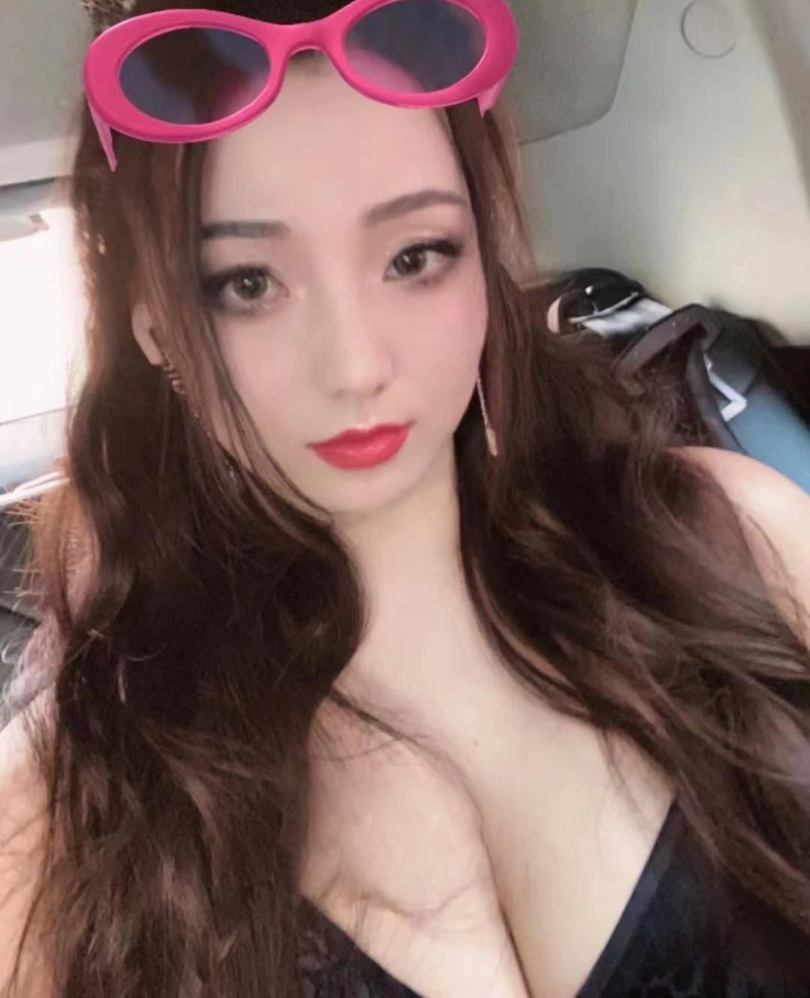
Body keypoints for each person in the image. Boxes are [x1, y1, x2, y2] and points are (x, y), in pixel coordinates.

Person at [1, 1, 809, 995]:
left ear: (484, 255)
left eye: (415, 256)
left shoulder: (746, 545)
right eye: (247, 283)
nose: (355, 364)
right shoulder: (59, 813)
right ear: (155, 326)